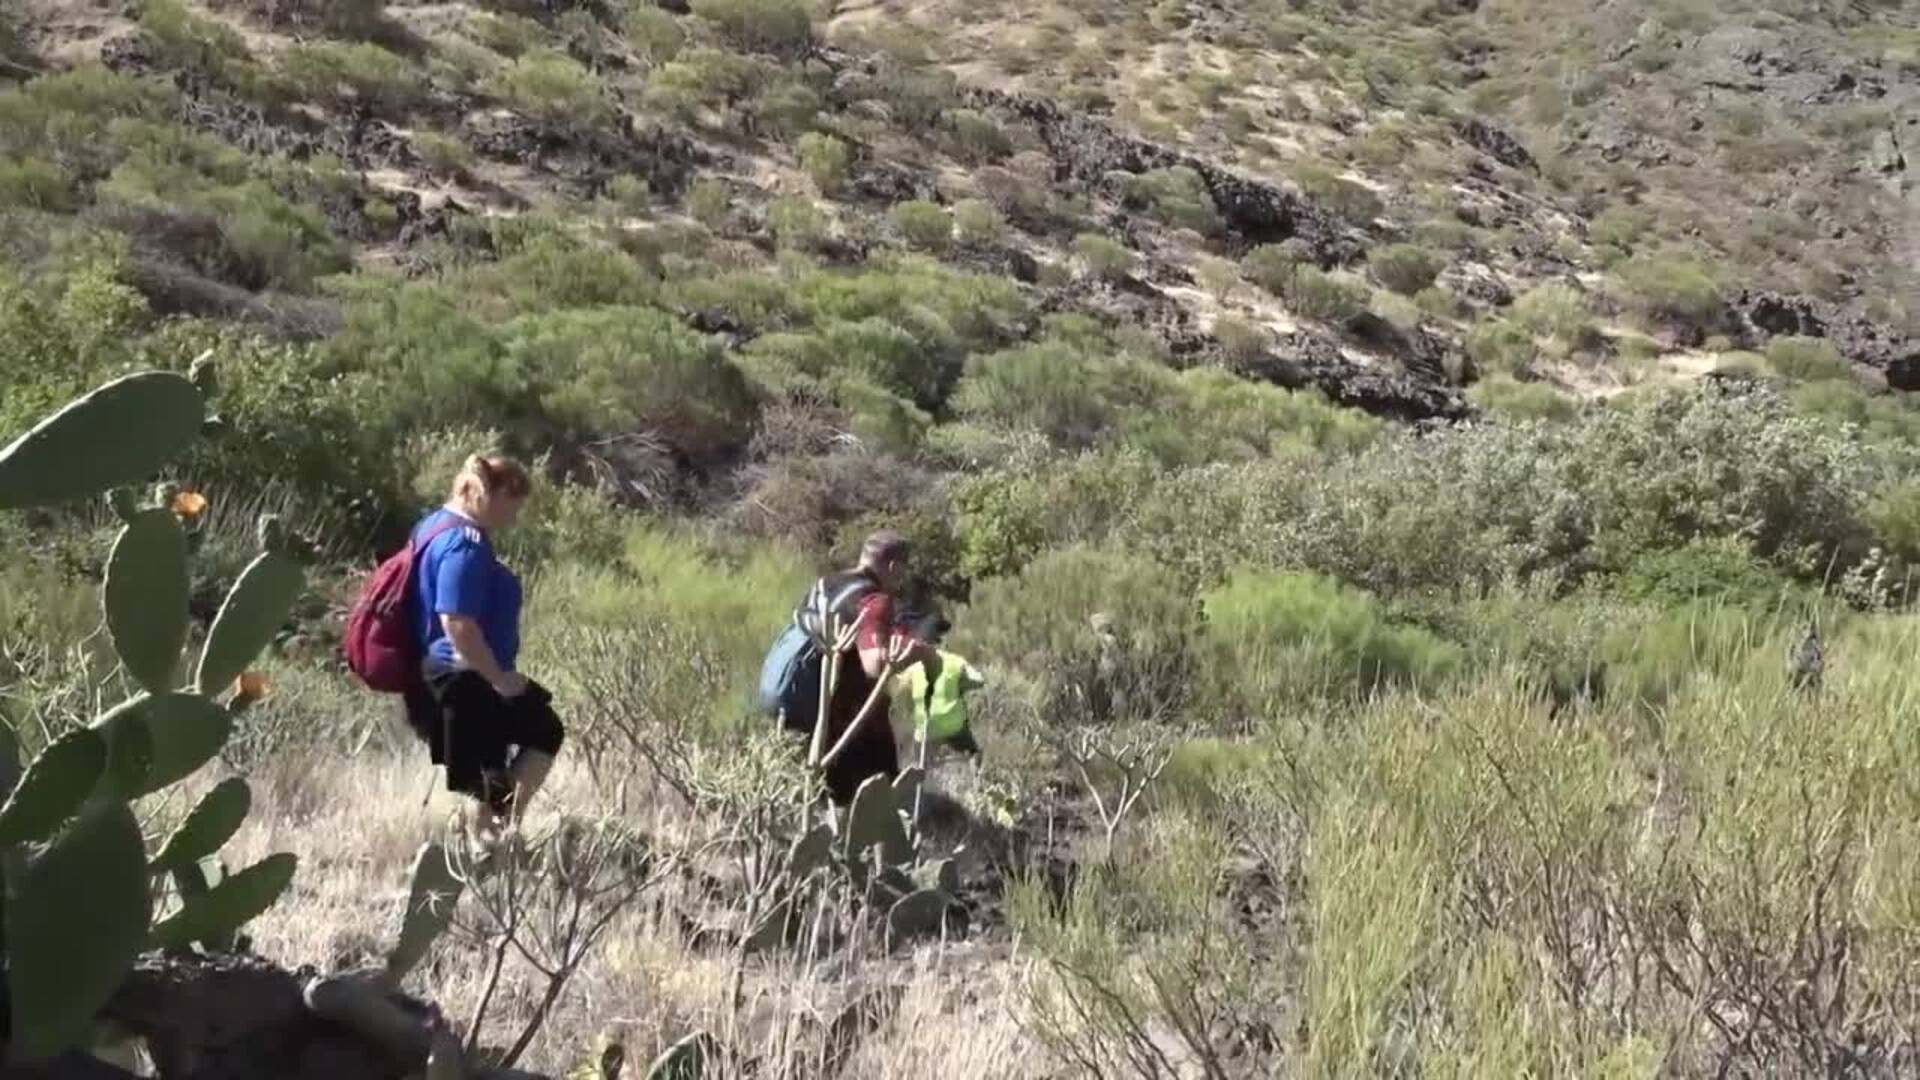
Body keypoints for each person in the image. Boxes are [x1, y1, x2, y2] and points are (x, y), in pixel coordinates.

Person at [401, 453, 563, 848]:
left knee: (495, 767)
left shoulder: (432, 526)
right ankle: (495, 844)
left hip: (448, 673)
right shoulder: (464, 543)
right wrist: (500, 679)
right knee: (504, 763)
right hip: (464, 675)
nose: (515, 514)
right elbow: (457, 622)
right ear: (489, 494)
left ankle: (496, 835)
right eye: (514, 501)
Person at [783, 529, 937, 805]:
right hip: (855, 725)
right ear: (892, 565)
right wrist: (919, 652)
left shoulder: (824, 584)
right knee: (879, 810)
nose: (902, 577)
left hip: (810, 713)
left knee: (821, 806)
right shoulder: (874, 600)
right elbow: (874, 665)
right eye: (903, 568)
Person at [902, 613, 985, 759]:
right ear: (940, 640)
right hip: (953, 727)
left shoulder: (912, 665)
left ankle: (921, 770)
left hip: (925, 731)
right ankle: (975, 771)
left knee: (918, 761)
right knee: (974, 752)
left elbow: (900, 688)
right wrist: (961, 685)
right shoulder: (955, 661)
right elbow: (979, 680)